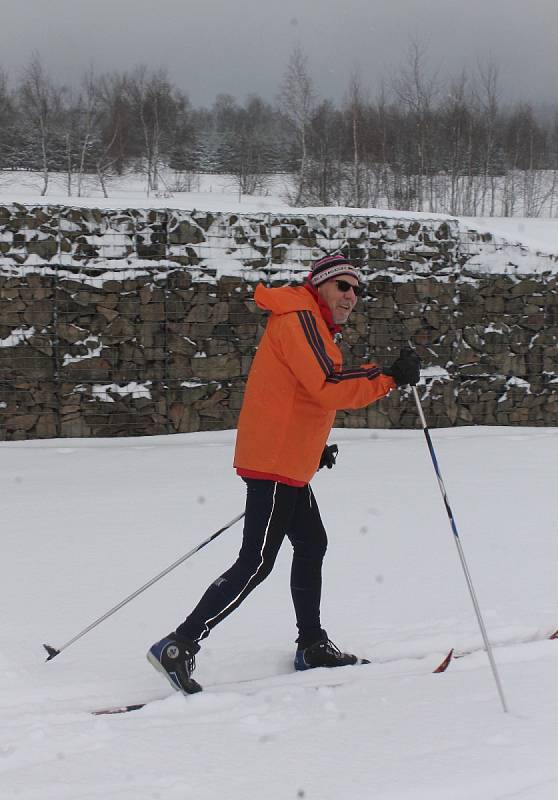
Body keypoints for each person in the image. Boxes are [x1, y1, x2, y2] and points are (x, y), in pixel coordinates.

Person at [148, 253, 421, 694]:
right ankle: (179, 645)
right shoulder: (299, 317)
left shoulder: (310, 322)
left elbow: (299, 395)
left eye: (358, 289)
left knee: (312, 543)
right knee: (256, 562)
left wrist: (313, 448)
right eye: (343, 286)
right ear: (321, 285)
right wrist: (386, 377)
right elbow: (327, 385)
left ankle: (311, 645)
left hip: (287, 462)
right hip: (274, 464)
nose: (352, 296)